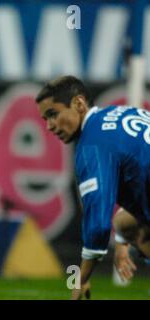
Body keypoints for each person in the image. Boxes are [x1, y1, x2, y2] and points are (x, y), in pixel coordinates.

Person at [35, 75, 150, 300]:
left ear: (79, 104)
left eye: (53, 114)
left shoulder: (92, 144)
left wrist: (82, 277)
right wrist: (121, 242)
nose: (49, 126)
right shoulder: (121, 113)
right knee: (125, 224)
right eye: (45, 119)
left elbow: (97, 226)